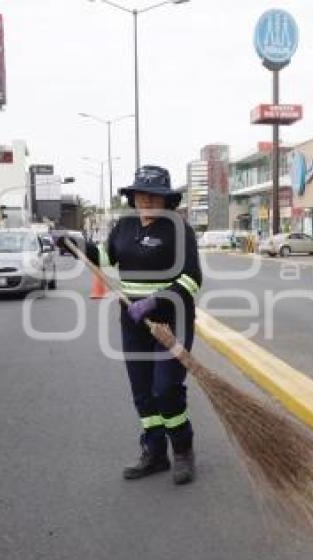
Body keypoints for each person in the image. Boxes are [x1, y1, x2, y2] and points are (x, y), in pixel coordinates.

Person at [59, 165, 202, 484]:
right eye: (141, 194)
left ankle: (182, 450)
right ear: (133, 196)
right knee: (143, 394)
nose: (147, 201)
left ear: (167, 200)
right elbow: (108, 258)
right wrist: (76, 245)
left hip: (172, 320)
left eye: (154, 195)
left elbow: (193, 279)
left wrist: (156, 301)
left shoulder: (179, 229)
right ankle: (154, 453)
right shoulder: (124, 225)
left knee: (166, 390)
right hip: (133, 321)